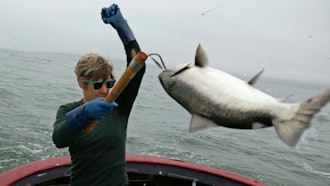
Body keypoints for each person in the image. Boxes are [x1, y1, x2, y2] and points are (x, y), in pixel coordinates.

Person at [52, 4, 145, 186]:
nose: (105, 90)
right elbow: (59, 138)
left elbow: (138, 66)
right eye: (97, 85)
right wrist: (85, 113)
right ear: (81, 83)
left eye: (109, 83)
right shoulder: (68, 110)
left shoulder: (118, 106)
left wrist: (122, 27)